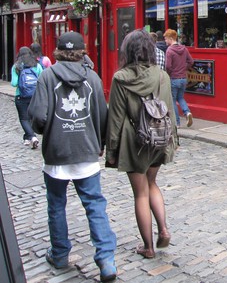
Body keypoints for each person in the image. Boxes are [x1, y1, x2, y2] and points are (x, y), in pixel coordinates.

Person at [27, 32, 117, 282]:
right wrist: (99, 143)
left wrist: (49, 132)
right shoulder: (93, 78)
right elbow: (102, 115)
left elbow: (39, 118)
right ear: (82, 51)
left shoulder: (47, 76)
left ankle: (59, 254)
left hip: (57, 153)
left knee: (56, 205)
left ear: (57, 51)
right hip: (87, 153)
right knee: (95, 205)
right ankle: (106, 260)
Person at [106, 29, 178, 260]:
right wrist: (172, 141)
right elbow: (170, 111)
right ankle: (164, 229)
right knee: (152, 183)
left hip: (134, 141)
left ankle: (148, 247)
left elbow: (116, 118)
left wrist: (111, 151)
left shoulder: (121, 78)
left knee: (140, 194)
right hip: (158, 138)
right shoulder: (162, 76)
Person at [11, 47, 44, 149]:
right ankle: (27, 137)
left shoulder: (16, 66)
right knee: (32, 117)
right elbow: (42, 79)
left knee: (24, 118)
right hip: (35, 96)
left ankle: (32, 137)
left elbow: (14, 83)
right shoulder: (37, 65)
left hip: (21, 96)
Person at [164, 29, 194, 128]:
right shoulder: (184, 48)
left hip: (174, 78)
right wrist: (183, 68)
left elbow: (168, 66)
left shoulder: (169, 50)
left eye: (166, 39)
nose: (165, 41)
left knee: (172, 101)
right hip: (183, 78)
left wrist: (169, 74)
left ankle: (177, 123)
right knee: (180, 98)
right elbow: (191, 61)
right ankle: (187, 113)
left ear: (171, 38)